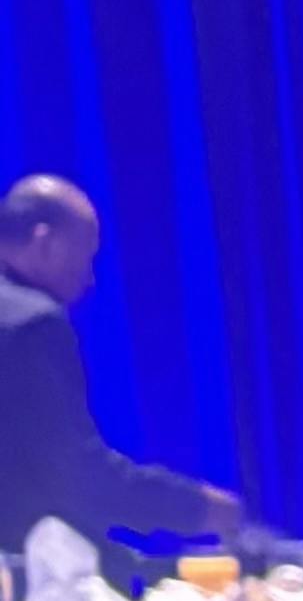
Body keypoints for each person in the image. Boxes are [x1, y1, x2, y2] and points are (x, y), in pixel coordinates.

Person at [0, 175, 247, 556]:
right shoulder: (32, 325)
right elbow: (79, 476)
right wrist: (199, 507)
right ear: (44, 241)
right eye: (85, 257)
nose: (90, 279)